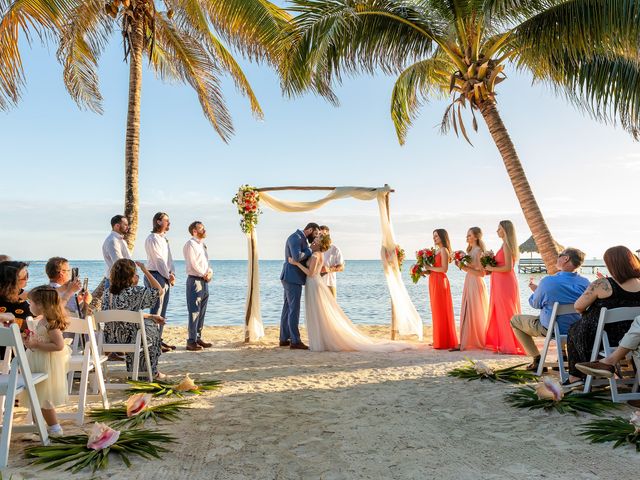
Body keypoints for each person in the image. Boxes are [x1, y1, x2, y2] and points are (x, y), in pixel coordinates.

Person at [288, 234, 419, 352]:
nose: (313, 242)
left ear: (320, 244)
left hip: (313, 284)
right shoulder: (319, 254)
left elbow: (310, 273)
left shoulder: (316, 255)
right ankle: (320, 341)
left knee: (316, 313)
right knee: (318, 313)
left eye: (316, 240)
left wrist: (296, 263)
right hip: (315, 284)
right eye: (315, 239)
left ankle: (320, 342)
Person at [566, 246, 640, 385]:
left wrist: (585, 314)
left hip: (604, 337)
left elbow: (578, 306)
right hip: (632, 339)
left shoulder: (603, 284)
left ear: (611, 265)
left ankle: (575, 377)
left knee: (574, 329)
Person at [510, 248, 590, 371]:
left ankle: (537, 359)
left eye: (560, 255)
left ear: (566, 258)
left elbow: (534, 304)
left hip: (551, 329)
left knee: (515, 320)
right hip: (577, 329)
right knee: (563, 319)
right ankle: (562, 356)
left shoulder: (548, 281)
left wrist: (538, 291)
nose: (557, 258)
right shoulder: (586, 283)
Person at [102, 259, 166, 379]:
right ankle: (151, 372)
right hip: (131, 339)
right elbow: (159, 291)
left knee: (147, 324)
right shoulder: (135, 291)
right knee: (150, 330)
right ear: (130, 276)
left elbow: (124, 315)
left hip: (110, 339)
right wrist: (145, 270)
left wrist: (151, 316)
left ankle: (138, 372)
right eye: (135, 273)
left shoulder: (107, 293)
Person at [21, 285, 71, 436]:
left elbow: (59, 345)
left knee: (44, 398)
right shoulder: (40, 321)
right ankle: (39, 428)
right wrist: (29, 342)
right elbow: (39, 341)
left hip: (46, 364)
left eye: (32, 303)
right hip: (37, 360)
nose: (29, 305)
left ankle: (55, 427)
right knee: (35, 396)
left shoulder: (51, 323)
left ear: (42, 305)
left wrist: (37, 344)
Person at [484, 220, 525, 355]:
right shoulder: (503, 245)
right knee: (500, 311)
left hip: (505, 283)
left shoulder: (507, 246)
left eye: (499, 229)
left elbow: (508, 267)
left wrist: (490, 267)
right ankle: (504, 342)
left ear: (506, 231)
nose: (497, 231)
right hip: (499, 282)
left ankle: (509, 344)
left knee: (506, 311)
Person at [280, 223, 320, 349]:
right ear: (309, 230)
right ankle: (295, 341)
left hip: (291, 277)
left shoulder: (300, 238)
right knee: (294, 309)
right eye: (315, 234)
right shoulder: (296, 238)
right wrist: (310, 250)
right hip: (292, 278)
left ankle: (284, 338)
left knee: (287, 308)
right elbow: (296, 257)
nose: (315, 237)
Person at [145, 212, 176, 352]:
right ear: (158, 222)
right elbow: (158, 260)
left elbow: (169, 259)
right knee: (156, 309)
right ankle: (152, 341)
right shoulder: (153, 238)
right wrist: (167, 275)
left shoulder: (164, 239)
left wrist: (172, 273)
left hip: (164, 275)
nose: (169, 223)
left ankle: (159, 339)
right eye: (166, 221)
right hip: (155, 275)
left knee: (163, 311)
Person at [454, 227, 489, 351]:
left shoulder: (478, 251)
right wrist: (461, 265)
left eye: (469, 235)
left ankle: (477, 340)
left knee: (476, 311)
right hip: (469, 281)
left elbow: (482, 273)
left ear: (476, 237)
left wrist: (464, 267)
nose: (467, 237)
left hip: (476, 282)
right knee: (468, 309)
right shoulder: (470, 250)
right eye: (467, 235)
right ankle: (467, 340)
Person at [423, 229, 457, 350]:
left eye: (436, 236)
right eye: (433, 236)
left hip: (440, 281)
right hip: (433, 280)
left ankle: (443, 341)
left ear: (442, 237)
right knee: (436, 310)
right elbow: (434, 268)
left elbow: (444, 269)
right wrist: (424, 270)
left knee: (441, 309)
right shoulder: (436, 251)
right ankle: (438, 339)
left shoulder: (444, 250)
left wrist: (430, 267)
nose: (434, 238)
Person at [183, 221, 213, 351]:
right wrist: (203, 274)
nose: (204, 230)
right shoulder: (190, 244)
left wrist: (210, 272)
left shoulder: (202, 245)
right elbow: (193, 263)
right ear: (194, 231)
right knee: (194, 311)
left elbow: (206, 263)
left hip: (204, 280)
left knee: (202, 311)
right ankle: (191, 341)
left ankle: (198, 336)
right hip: (195, 280)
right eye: (201, 228)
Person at [0, 261, 33, 330]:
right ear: (11, 282)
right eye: (24, 277)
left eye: (27, 274)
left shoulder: (22, 294)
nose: (27, 279)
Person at [319, 225, 344, 297]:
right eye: (319, 234)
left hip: (330, 284)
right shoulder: (314, 249)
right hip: (316, 284)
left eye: (324, 234)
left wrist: (329, 269)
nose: (322, 236)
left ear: (328, 235)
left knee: (332, 307)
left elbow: (341, 267)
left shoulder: (335, 249)